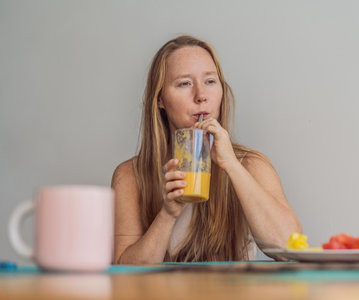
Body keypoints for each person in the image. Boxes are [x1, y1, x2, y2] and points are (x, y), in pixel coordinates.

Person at [112, 35, 302, 264]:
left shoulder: (250, 165)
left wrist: (231, 165)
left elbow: (289, 246)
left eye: (210, 81)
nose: (201, 96)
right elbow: (125, 273)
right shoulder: (131, 176)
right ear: (160, 99)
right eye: (185, 83)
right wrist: (168, 214)